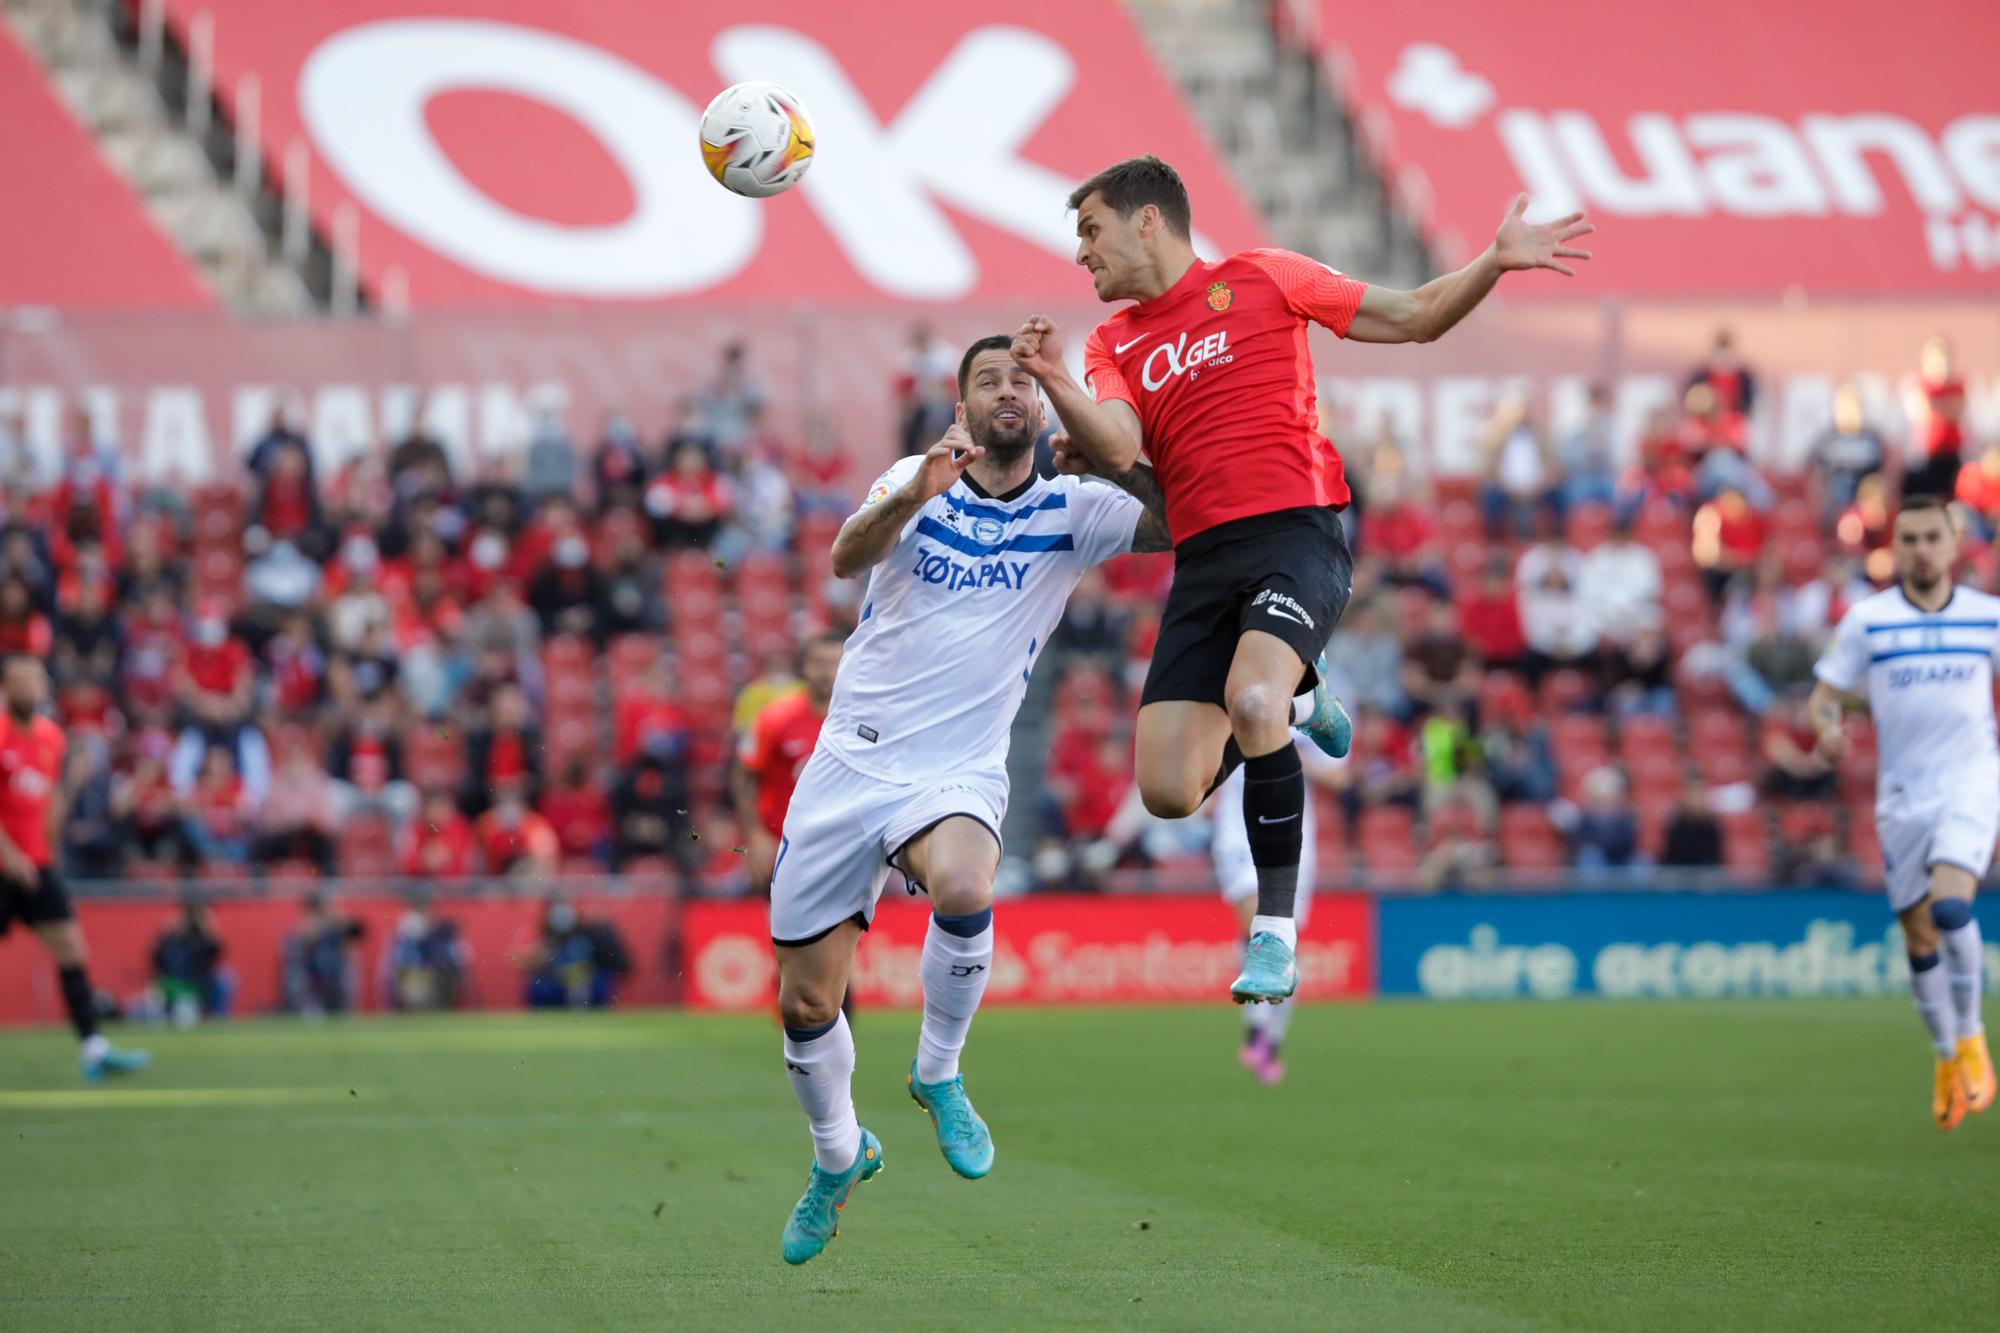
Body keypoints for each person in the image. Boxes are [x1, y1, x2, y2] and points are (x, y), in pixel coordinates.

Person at [1010, 155, 1592, 1003]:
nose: (1081, 255)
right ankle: (1302, 695)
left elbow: (1417, 316)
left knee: (1249, 701)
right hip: (1204, 561)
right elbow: (1118, 449)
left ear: (1147, 221)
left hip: (1295, 536)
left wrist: (1492, 263)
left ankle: (1275, 936)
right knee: (1168, 792)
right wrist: (1058, 380)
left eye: (1091, 230)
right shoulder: (1112, 342)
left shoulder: (1265, 278)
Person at [770, 334, 1169, 1266]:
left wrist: (1110, 451)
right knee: (802, 1004)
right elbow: (843, 557)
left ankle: (938, 1073)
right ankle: (838, 1159)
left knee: (963, 884)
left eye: (1024, 381)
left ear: (1041, 406)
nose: (1008, 392)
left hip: (955, 768)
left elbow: (1180, 518)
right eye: (989, 379)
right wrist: (916, 491)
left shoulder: (1076, 507)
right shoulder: (918, 477)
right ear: (962, 406)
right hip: (850, 762)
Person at [1808, 495, 1996, 1132]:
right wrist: (1829, 729)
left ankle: (1971, 1036)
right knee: (1918, 936)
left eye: (1930, 538)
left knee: (1951, 908)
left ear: (1953, 545)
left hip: (1973, 782)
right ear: (1895, 547)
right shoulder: (1869, 621)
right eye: (1909, 539)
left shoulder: (1988, 618)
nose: (1920, 549)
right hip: (1902, 798)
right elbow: (1825, 697)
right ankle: (1945, 1056)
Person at [0, 656, 149, 1077]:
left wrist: (73, 789)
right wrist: (10, 856)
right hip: (4, 864)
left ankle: (94, 1049)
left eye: (35, 680)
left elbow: (47, 804)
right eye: (19, 681)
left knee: (71, 950)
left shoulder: (51, 738)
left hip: (37, 865)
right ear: (6, 689)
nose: (29, 688)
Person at [1209, 738, 1342, 1084]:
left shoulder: (1302, 719)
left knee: (1285, 944)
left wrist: (1296, 760)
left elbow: (1342, 777)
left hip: (1292, 834)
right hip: (1237, 831)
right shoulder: (1231, 708)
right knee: (1254, 926)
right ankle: (1255, 1029)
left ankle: (1272, 1040)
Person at [734, 632, 842, 888]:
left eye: (835, 663)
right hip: (780, 847)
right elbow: (742, 775)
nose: (827, 672)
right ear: (804, 667)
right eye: (819, 663)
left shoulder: (858, 722)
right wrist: (755, 834)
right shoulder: (773, 719)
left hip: (839, 847)